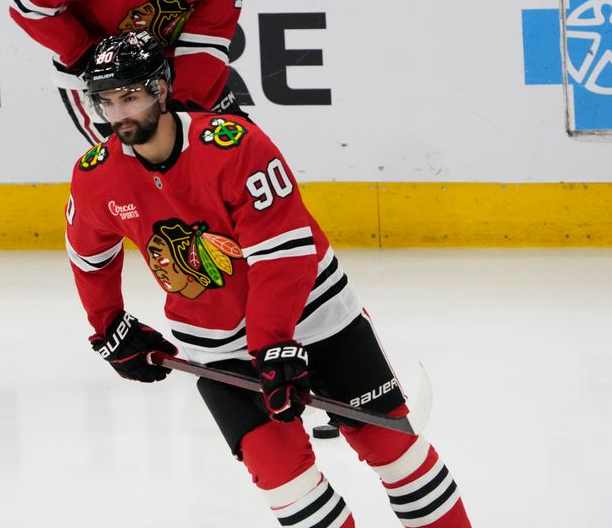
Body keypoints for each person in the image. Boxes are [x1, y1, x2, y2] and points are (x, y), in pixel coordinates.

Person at [65, 31, 472, 528]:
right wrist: (108, 325)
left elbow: (284, 255)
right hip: (220, 349)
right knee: (289, 490)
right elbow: (89, 254)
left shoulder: (235, 146)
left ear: (162, 88)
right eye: (106, 101)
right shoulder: (95, 176)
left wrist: (273, 343)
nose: (119, 114)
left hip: (316, 319)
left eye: (130, 96)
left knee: (397, 455)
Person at [9, 0, 243, 145]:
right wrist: (91, 58)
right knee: (139, 171)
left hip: (175, 63)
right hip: (98, 75)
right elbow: (29, 5)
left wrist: (183, 107)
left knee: (235, 150)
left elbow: (206, 40)